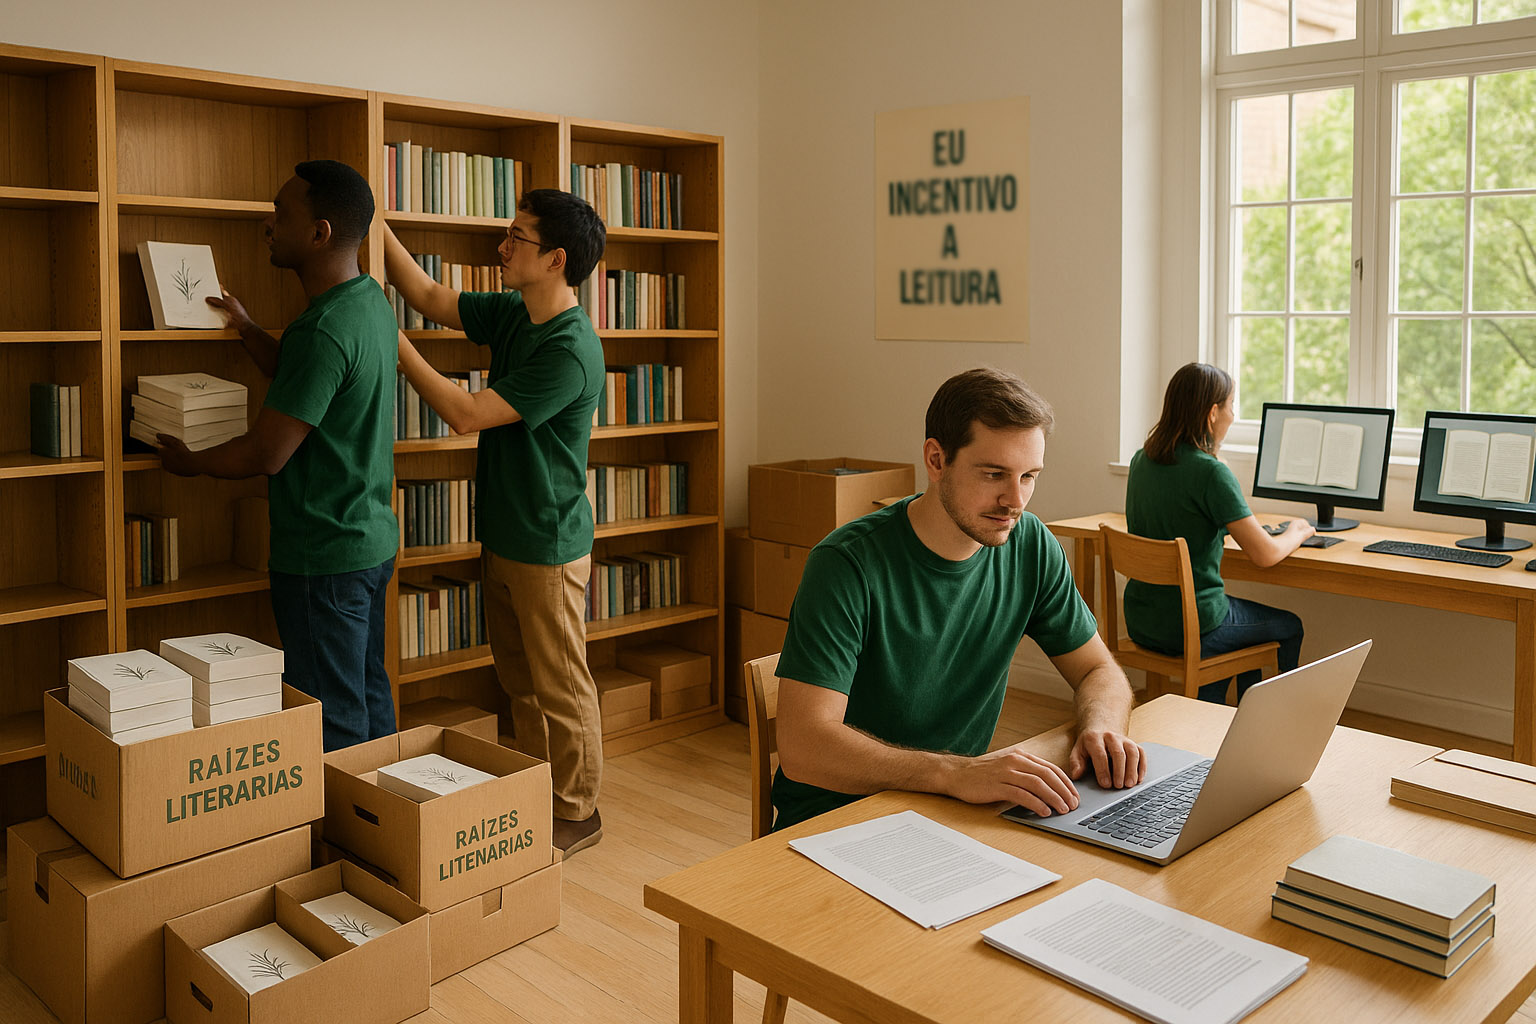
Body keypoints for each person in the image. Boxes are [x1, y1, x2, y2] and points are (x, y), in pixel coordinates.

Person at [771, 367, 1147, 833]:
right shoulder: (846, 563)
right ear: (936, 459)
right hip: (835, 821)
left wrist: (1102, 726)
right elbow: (804, 749)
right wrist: (954, 773)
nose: (1016, 499)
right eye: (994, 474)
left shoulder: (1029, 544)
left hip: (950, 811)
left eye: (1029, 476)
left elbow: (1098, 670)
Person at [381, 189, 607, 857]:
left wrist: (392, 344)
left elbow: (467, 413)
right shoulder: (514, 312)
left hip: (548, 541)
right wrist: (375, 222)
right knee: (519, 684)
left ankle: (578, 811)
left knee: (561, 686)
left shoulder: (570, 349)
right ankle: (534, 791)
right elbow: (426, 295)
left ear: (556, 259)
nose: (502, 249)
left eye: (517, 239)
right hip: (506, 532)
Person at [158, 159, 399, 752]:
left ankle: (343, 841)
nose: (268, 226)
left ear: (318, 233)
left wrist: (193, 462)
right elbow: (309, 388)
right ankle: (388, 828)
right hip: (367, 543)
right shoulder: (367, 302)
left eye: (280, 214)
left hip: (323, 556)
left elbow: (267, 453)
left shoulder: (322, 330)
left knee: (331, 715)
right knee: (368, 695)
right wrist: (247, 330)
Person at [1124, 362, 1311, 704]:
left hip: (1142, 621)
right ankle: (1271, 725)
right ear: (1212, 413)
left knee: (1244, 636)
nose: (1233, 415)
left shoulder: (1142, 459)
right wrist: (1297, 531)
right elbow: (1265, 555)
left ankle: (1209, 716)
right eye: (1231, 406)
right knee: (1289, 626)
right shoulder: (1210, 473)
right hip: (1193, 625)